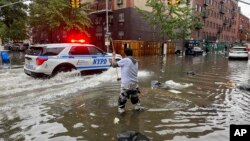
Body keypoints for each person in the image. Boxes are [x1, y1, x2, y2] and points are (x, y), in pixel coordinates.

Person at [111, 47, 143, 114]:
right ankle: (137, 111)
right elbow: (131, 74)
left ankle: (121, 114)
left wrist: (113, 56)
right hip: (135, 85)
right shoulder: (136, 61)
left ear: (125, 54)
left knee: (122, 101)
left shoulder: (125, 60)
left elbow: (113, 65)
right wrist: (121, 78)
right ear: (132, 53)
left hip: (126, 86)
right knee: (135, 100)